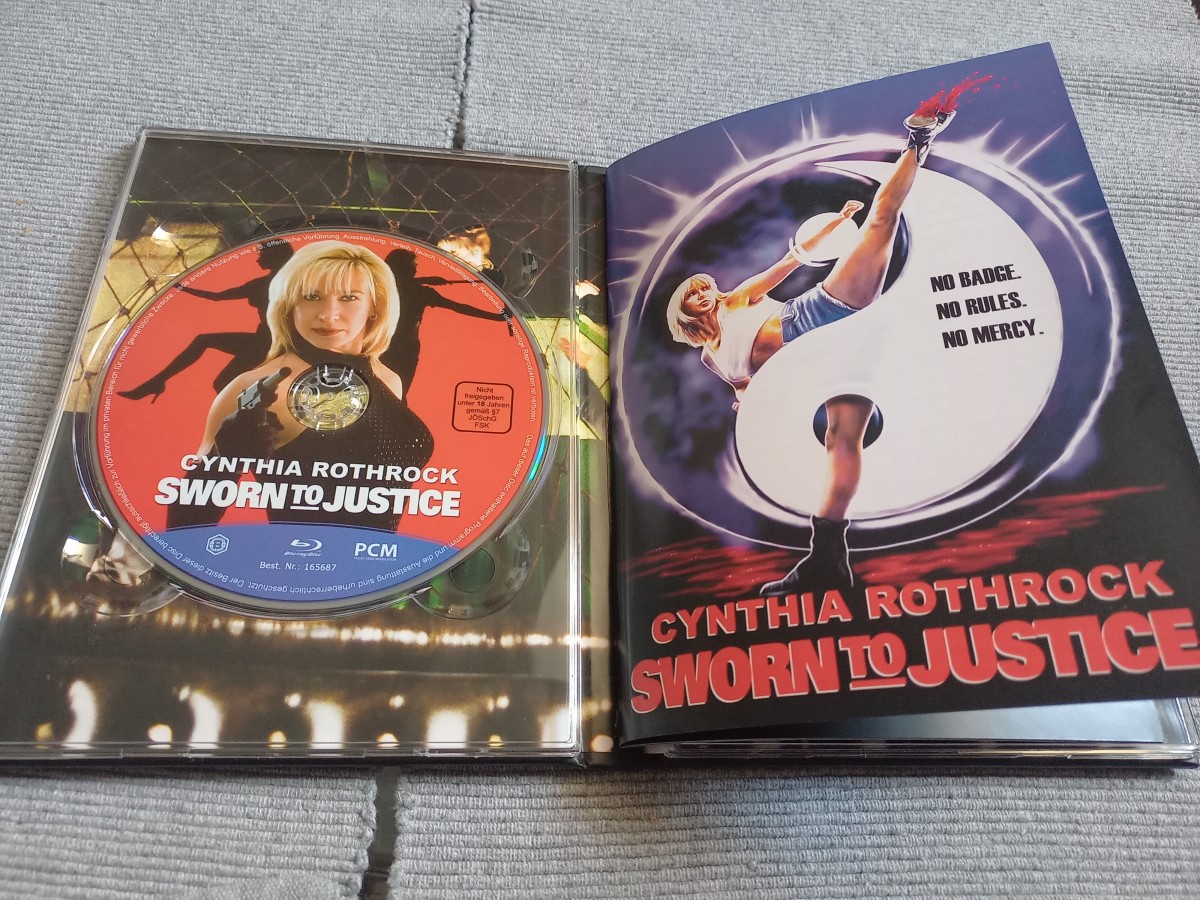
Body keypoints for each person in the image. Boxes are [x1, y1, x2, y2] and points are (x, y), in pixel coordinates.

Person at [666, 108, 954, 597]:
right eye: (694, 293)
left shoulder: (738, 300)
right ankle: (827, 560)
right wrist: (748, 405)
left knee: (880, 222)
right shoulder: (710, 360)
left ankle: (916, 143)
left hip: (823, 314)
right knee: (841, 443)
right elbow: (748, 389)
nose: (704, 291)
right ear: (684, 313)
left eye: (703, 285)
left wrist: (837, 223)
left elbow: (792, 260)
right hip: (818, 371)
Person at [171, 239, 433, 532]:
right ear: (289, 306)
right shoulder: (257, 386)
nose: (328, 314)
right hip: (295, 556)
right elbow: (185, 522)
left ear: (375, 306)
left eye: (349, 298)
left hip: (383, 558)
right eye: (311, 296)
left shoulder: (388, 378)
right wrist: (223, 459)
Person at [119, 240, 294, 400]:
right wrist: (181, 287)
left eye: (262, 256)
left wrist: (179, 286)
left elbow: (217, 297)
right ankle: (261, 411)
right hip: (268, 341)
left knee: (211, 357)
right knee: (221, 382)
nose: (257, 260)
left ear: (274, 257)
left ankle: (157, 382)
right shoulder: (288, 282)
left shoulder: (263, 284)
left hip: (268, 344)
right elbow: (217, 296)